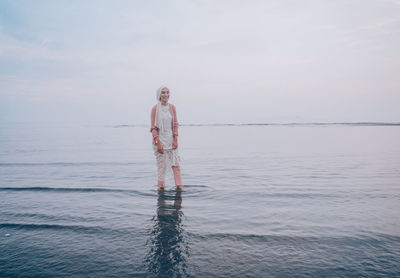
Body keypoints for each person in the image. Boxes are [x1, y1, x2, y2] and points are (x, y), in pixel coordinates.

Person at [150, 86, 182, 190]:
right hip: (160, 141)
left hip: (171, 141)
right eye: (163, 92)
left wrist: (175, 140)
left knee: (176, 165)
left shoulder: (172, 107)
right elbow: (153, 128)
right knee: (161, 167)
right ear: (159, 95)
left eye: (167, 92)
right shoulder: (155, 108)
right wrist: (158, 142)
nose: (166, 94)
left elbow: (176, 124)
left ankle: (179, 187)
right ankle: (161, 188)